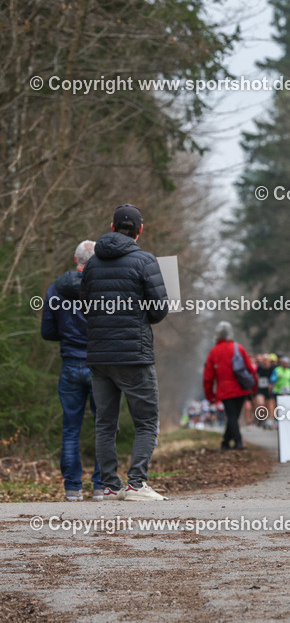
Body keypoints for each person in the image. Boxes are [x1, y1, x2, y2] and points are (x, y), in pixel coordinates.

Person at [81, 204, 168, 501]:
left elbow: (85, 308)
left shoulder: (91, 264)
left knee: (105, 423)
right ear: (140, 230)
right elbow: (158, 310)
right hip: (134, 355)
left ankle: (108, 485)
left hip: (99, 356)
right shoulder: (146, 261)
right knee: (146, 421)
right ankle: (136, 484)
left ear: (112, 226)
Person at [41, 240, 104, 501]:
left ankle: (72, 488)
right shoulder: (102, 289)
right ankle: (101, 486)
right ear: (97, 261)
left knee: (70, 429)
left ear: (74, 258)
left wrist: (68, 336)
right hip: (99, 366)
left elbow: (47, 332)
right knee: (104, 426)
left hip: (69, 364)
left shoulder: (55, 289)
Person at [203, 321, 258, 450]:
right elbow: (250, 368)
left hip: (225, 391)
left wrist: (210, 395)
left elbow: (208, 377)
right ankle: (226, 442)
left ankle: (237, 442)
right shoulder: (238, 347)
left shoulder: (214, 352)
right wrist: (253, 387)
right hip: (241, 389)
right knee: (234, 416)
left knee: (232, 416)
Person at [254, 354, 274, 428]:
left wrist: (271, 384)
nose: (265, 361)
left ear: (269, 360)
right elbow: (256, 376)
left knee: (270, 405)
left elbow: (275, 377)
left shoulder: (272, 368)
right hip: (261, 389)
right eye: (263, 360)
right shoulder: (259, 368)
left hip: (269, 389)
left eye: (266, 360)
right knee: (260, 403)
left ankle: (270, 421)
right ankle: (262, 419)